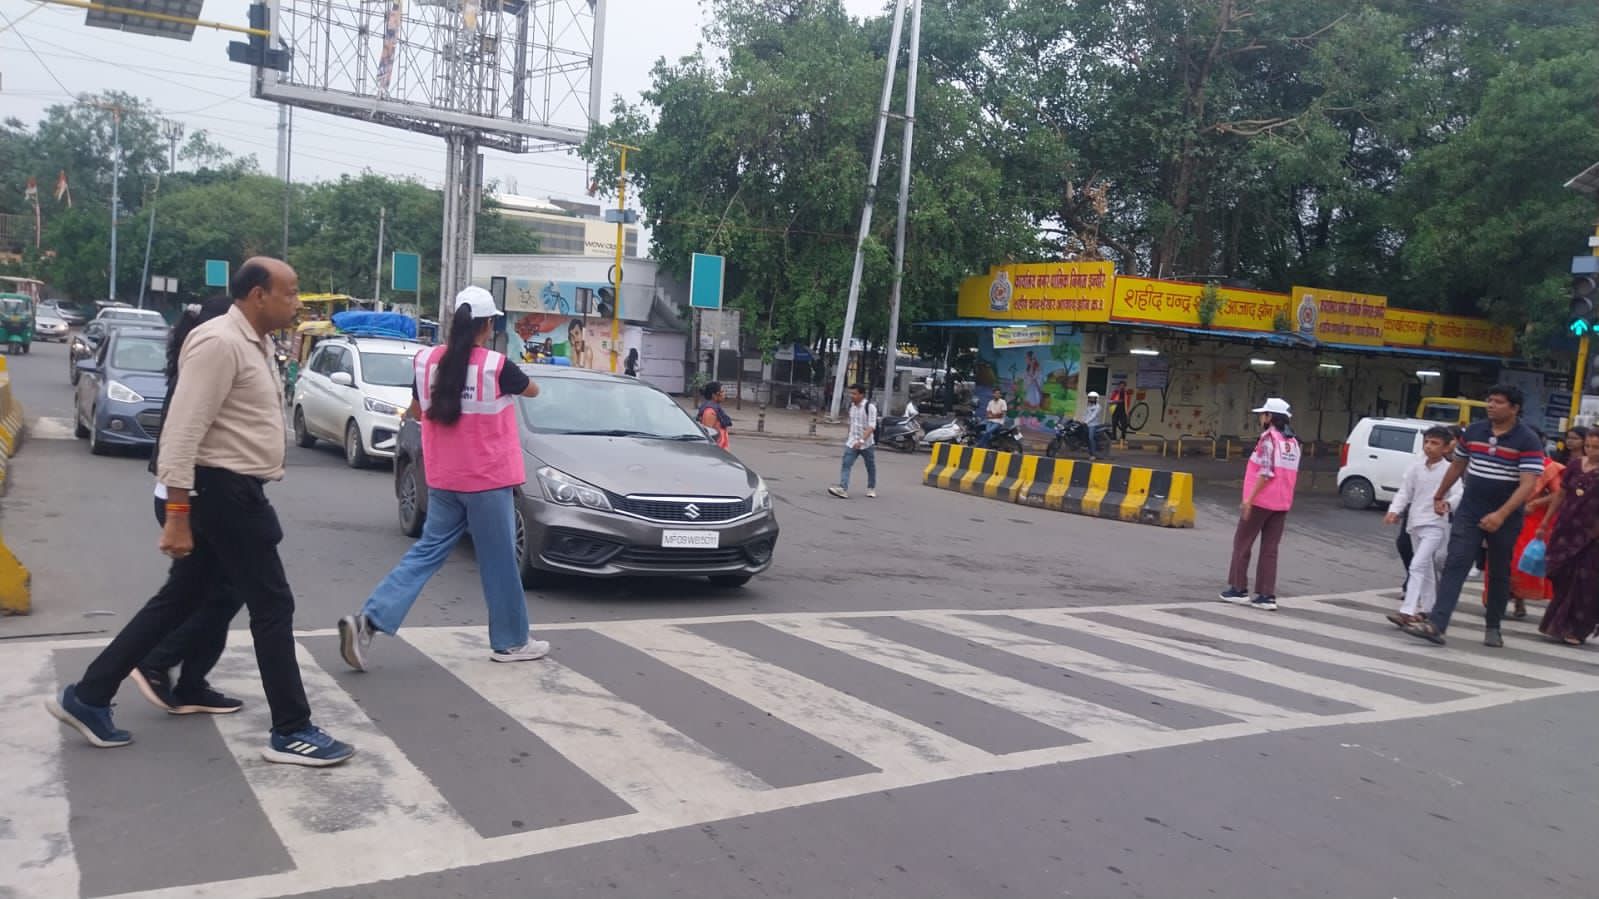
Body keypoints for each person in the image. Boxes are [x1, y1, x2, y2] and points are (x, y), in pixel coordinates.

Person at [47, 257, 355, 766]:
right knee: (272, 604)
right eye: (290, 292)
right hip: (222, 492)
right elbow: (182, 430)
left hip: (234, 490)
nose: (298, 303)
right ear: (258, 295)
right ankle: (291, 728)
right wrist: (176, 513)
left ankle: (90, 694)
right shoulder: (219, 342)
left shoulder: (254, 343)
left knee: (180, 599)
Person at [338, 287, 547, 670]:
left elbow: (417, 411)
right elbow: (533, 390)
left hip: (444, 480)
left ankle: (368, 621)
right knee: (500, 563)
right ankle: (511, 641)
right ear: (488, 325)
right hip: (488, 481)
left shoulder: (426, 361)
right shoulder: (496, 366)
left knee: (425, 553)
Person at [127, 296, 246, 715]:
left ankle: (192, 681)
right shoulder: (205, 365)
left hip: (196, 498)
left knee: (216, 591)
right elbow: (177, 445)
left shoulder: (203, 361)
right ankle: (156, 662)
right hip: (189, 499)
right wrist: (179, 515)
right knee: (216, 593)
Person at [1403, 385, 1542, 648]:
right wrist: (1439, 494)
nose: (1491, 405)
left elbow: (1527, 484)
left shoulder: (1527, 439)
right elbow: (1458, 465)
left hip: (1506, 513)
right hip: (1471, 508)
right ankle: (1437, 624)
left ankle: (1493, 626)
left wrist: (1501, 514)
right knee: (1456, 562)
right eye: (1489, 400)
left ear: (1514, 408)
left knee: (1498, 569)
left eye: (1498, 402)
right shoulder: (1475, 432)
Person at [1219, 397, 1301, 612]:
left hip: (1261, 501)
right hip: (1282, 503)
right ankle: (1266, 596)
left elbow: (1265, 473)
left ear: (1270, 417)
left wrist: (1249, 500)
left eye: (1263, 414)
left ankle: (1238, 589)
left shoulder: (1268, 439)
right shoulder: (1292, 443)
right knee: (1270, 550)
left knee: (1242, 543)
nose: (1260, 417)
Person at [1384, 426, 1463, 627]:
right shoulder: (1416, 467)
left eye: (1435, 443)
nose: (1429, 446)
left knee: (1417, 565)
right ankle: (1429, 609)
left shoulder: (1450, 469)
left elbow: (1458, 493)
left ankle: (1407, 611)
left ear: (1446, 448)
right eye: (1426, 442)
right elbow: (1405, 491)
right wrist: (1394, 510)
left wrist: (1447, 504)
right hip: (1415, 522)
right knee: (1425, 567)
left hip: (1435, 524)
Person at [1483, 432, 1563, 618]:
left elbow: (1558, 494)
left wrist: (1536, 503)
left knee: (1517, 562)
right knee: (1498, 559)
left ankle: (1518, 599)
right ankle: (1496, 600)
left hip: (1529, 520)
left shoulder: (1549, 467)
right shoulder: (1507, 460)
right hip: (1503, 514)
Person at [1536, 429, 1599, 645]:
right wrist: (1546, 522)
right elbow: (1561, 494)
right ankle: (1557, 623)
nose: (1591, 451)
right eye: (1588, 446)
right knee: (1561, 574)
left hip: (1592, 535)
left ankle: (1577, 629)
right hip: (1566, 529)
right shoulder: (1575, 465)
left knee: (1585, 581)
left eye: (1596, 447)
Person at [828, 383, 878, 499]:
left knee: (870, 466)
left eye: (854, 394)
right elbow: (851, 424)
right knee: (846, 464)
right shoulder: (852, 407)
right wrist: (849, 437)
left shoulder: (870, 407)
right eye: (851, 393)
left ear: (861, 395)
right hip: (852, 442)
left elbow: (871, 426)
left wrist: (861, 441)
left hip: (866, 443)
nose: (851, 396)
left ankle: (871, 488)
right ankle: (843, 489)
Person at [698, 381, 732, 449]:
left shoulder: (716, 409)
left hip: (721, 450)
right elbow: (709, 436)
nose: (724, 394)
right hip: (716, 450)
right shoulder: (710, 412)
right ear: (714, 395)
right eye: (722, 392)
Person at [1080, 390, 1104, 459]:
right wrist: (1082, 420)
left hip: (1093, 425)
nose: (1091, 399)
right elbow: (1085, 414)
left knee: (1091, 438)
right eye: (1090, 398)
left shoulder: (1098, 407)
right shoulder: (1089, 406)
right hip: (1086, 424)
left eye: (1093, 398)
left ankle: (1093, 455)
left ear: (1096, 399)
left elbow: (1093, 416)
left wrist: (1086, 422)